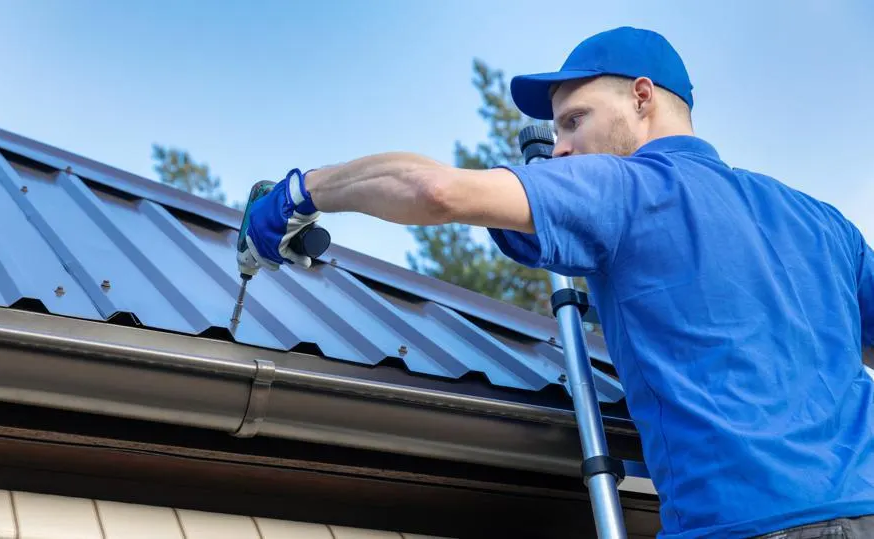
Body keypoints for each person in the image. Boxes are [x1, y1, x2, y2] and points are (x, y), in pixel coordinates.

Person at [239, 26, 874, 539]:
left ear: (642, 98)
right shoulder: (820, 222)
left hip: (740, 525)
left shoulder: (625, 188)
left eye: (574, 121)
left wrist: (303, 191)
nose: (562, 148)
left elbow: (432, 190)